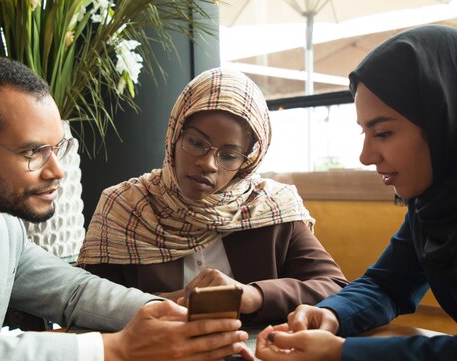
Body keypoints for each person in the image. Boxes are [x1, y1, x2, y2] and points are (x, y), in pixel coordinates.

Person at [0, 57, 253, 361]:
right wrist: (117, 353)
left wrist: (168, 316)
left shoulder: (1, 227)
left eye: (57, 149)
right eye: (33, 152)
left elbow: (75, 291)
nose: (57, 171)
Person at [255, 25, 457, 361]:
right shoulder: (440, 198)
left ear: (450, 116)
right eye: (364, 132)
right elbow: (388, 283)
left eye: (383, 134)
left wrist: (343, 354)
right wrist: (331, 315)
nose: (365, 156)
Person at [78, 68, 348, 326]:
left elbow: (333, 287)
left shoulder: (274, 207)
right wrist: (166, 304)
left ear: (248, 161)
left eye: (229, 155)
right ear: (174, 134)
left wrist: (251, 295)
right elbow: (85, 302)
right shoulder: (124, 205)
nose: (207, 164)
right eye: (196, 143)